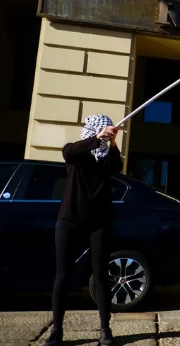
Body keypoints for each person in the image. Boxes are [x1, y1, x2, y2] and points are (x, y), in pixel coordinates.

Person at [44, 114, 123, 346]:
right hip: (70, 219)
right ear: (94, 130)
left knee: (101, 275)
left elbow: (117, 167)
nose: (105, 135)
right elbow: (69, 152)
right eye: (103, 130)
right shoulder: (75, 152)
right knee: (63, 275)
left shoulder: (106, 158)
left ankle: (105, 329)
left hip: (99, 222)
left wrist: (113, 143)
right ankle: (56, 330)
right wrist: (97, 138)